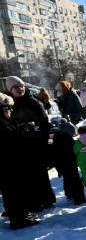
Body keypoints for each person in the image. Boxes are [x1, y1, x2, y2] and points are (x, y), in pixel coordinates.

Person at [6, 76, 56, 212]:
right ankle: (32, 201)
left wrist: (47, 143)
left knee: (39, 173)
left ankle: (45, 200)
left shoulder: (34, 102)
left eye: (21, 85)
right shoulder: (8, 103)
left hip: (36, 144)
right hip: (19, 145)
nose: (20, 89)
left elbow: (46, 124)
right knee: (26, 176)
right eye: (16, 87)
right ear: (10, 89)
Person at [0, 95, 40, 229]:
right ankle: (19, 218)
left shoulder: (5, 122)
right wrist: (24, 132)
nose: (10, 110)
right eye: (8, 108)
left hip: (9, 163)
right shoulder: (2, 124)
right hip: (9, 164)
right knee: (15, 190)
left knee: (10, 190)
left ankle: (17, 214)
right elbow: (11, 141)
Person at [51, 119, 86, 205]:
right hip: (69, 163)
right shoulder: (67, 139)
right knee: (76, 181)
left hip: (62, 165)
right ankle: (79, 199)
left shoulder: (57, 139)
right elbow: (73, 152)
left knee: (67, 179)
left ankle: (69, 194)